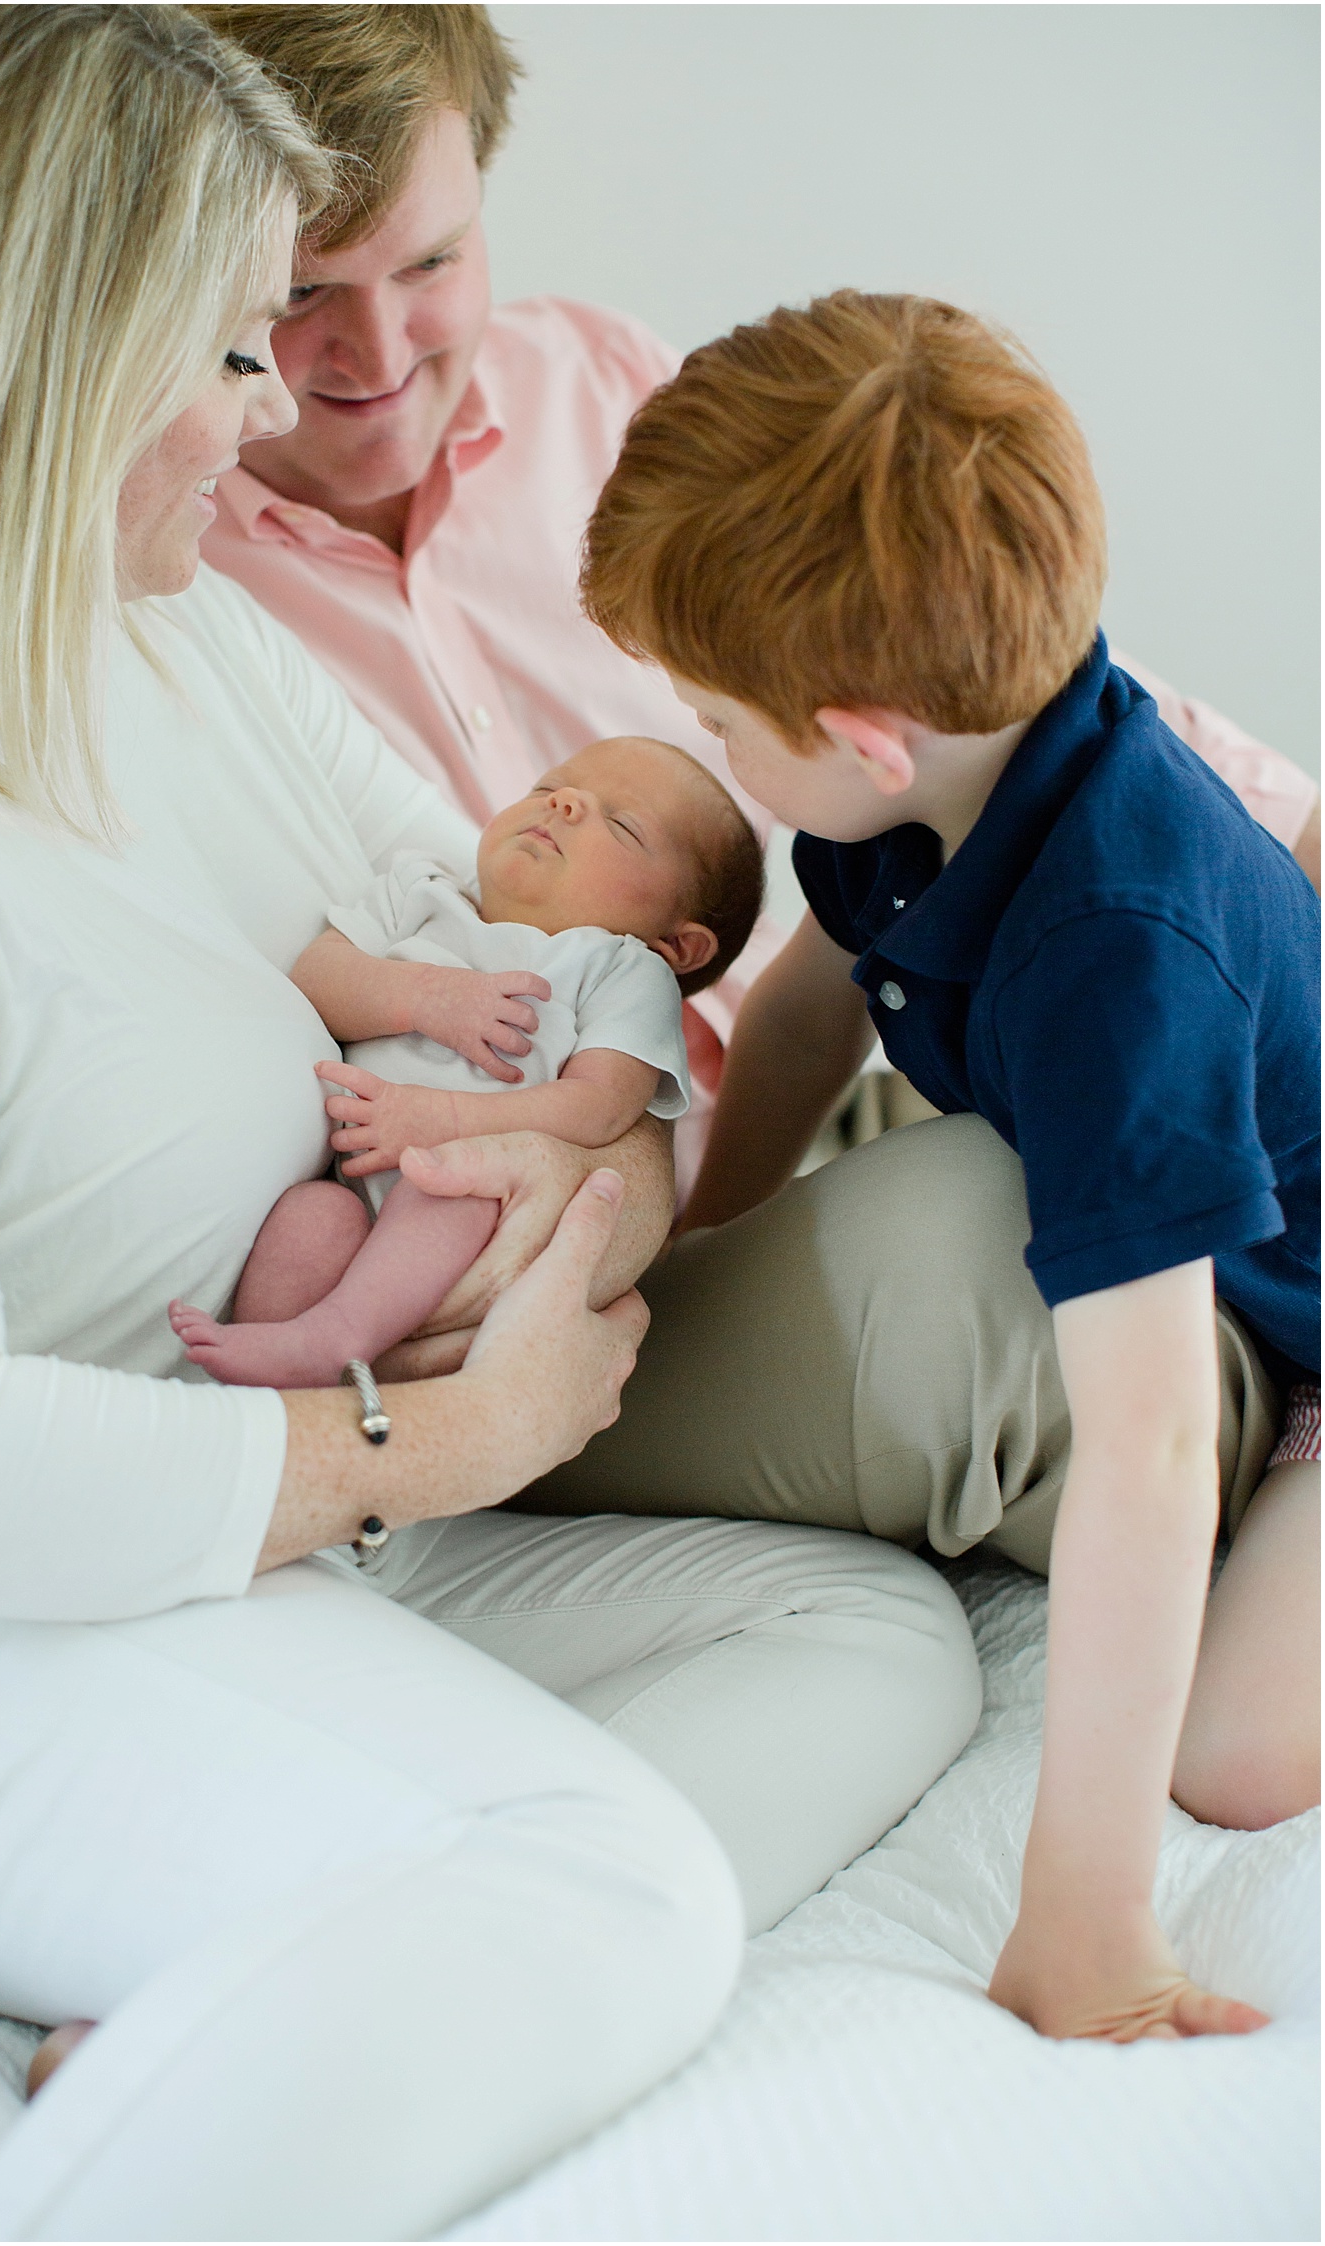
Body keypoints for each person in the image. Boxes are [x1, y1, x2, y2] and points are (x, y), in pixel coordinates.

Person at [0, 14, 984, 2236]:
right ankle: (313, 1989)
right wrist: (452, 1437)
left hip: (281, 1528)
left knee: (868, 1640)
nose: (273, 411)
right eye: (230, 341)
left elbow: (571, 989)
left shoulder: (175, 650)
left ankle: (252, 2003)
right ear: (54, 349)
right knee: (617, 1879)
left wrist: (589, 1177)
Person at [539, 289, 1320, 2046]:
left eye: (720, 724)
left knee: (1243, 1755)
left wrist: (1088, 1916)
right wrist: (709, 1230)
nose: (716, 767)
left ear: (865, 736)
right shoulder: (937, 787)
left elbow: (1140, 1437)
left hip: (1294, 1306)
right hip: (1074, 1136)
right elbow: (816, 1000)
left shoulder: (1118, 948)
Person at [193, 3, 1321, 1199]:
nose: (377, 355)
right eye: (303, 295)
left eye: (431, 262)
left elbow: (984, 662)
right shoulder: (165, 578)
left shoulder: (607, 384)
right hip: (616, 1190)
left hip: (921, 1073)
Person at [171, 736, 762, 1390]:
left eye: (620, 824)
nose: (563, 804)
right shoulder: (422, 887)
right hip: (354, 1183)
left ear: (677, 944)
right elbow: (320, 974)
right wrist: (421, 996)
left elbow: (600, 1107)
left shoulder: (621, 970)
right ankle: (275, 1383)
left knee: (451, 1193)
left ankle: (336, 1338)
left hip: (468, 1206)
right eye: (549, 789)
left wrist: (446, 1119)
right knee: (310, 1219)